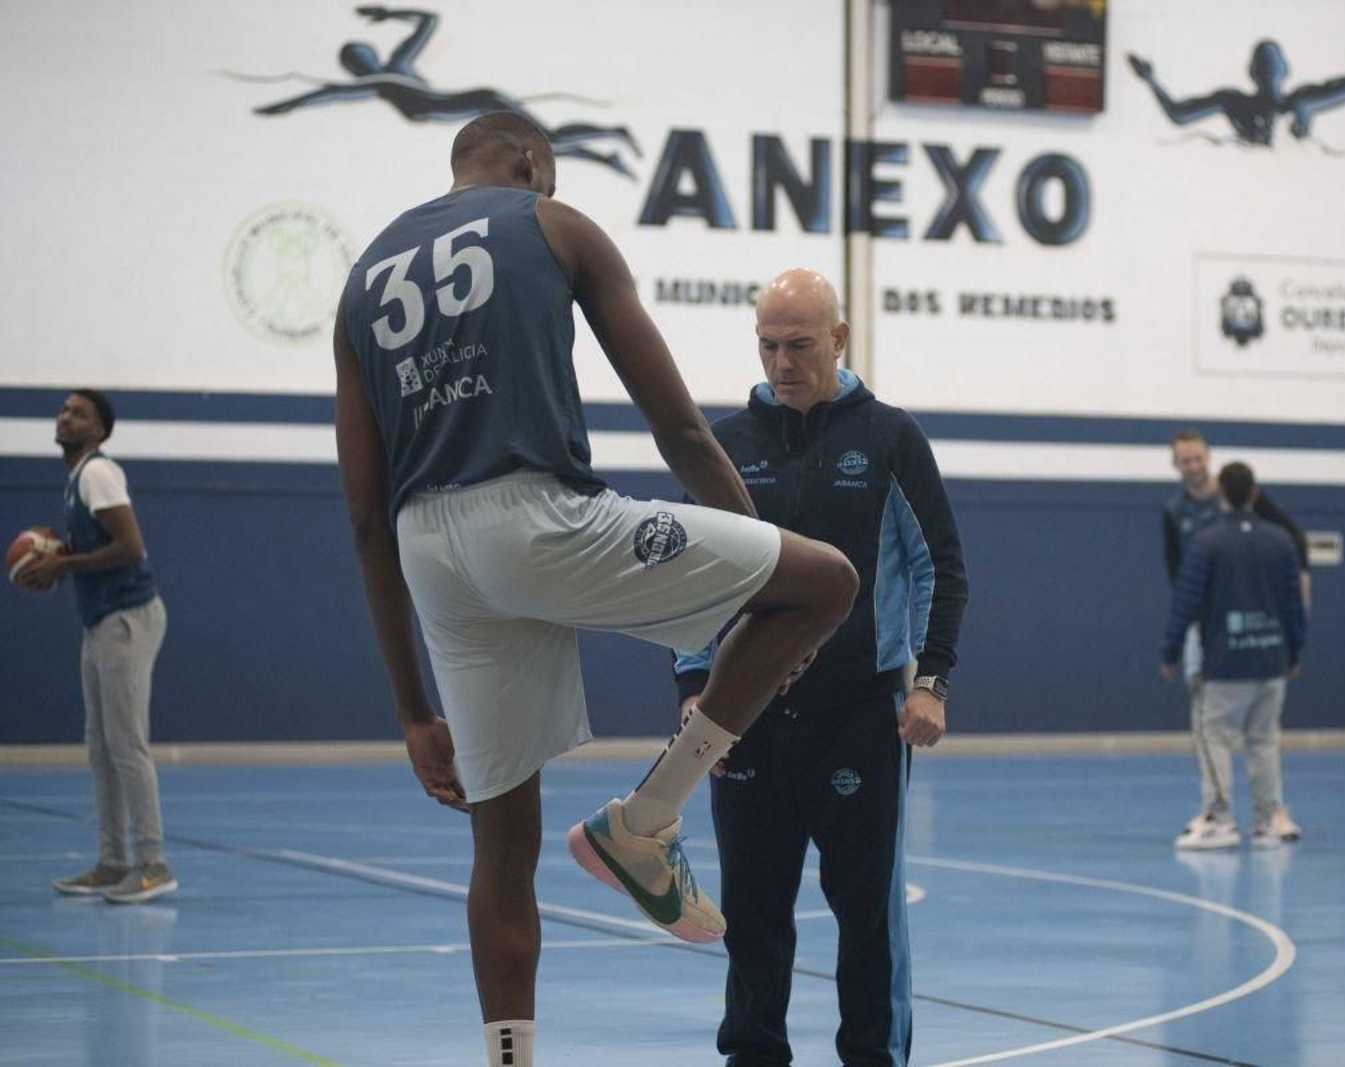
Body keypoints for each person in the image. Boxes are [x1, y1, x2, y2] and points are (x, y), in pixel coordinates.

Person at [333, 111, 857, 1066]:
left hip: (428, 551)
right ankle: (645, 821)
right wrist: (758, 556)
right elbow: (680, 429)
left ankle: (509, 1058)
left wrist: (411, 707)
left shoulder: (364, 277)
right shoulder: (554, 224)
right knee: (823, 580)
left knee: (502, 846)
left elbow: (364, 515)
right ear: (533, 161)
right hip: (534, 518)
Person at [673, 268, 968, 1066]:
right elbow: (689, 578)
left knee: (867, 915)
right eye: (767, 345)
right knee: (751, 913)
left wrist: (930, 681)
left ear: (839, 338)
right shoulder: (726, 446)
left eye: (799, 344)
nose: (782, 362)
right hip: (744, 719)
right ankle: (752, 1054)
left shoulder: (891, 438)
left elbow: (941, 566)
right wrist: (695, 689)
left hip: (860, 718)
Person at [18, 390, 176, 904]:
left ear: (100, 431)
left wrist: (63, 564)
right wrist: (63, 561)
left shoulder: (98, 473)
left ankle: (152, 865)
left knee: (126, 745)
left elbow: (131, 547)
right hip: (102, 620)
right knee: (101, 748)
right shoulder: (77, 479)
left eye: (79, 413)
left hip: (128, 617)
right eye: (64, 410)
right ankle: (112, 863)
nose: (66, 417)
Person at [251, 6, 640, 177]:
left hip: (482, 102)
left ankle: (613, 134)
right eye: (356, 62)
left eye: (361, 57)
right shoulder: (383, 81)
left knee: (546, 141)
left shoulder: (390, 74)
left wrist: (389, 13)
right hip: (480, 108)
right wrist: (286, 105)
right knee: (539, 148)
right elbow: (332, 92)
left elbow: (428, 20)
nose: (361, 66)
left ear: (369, 57)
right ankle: (607, 154)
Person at [1163, 428, 1308, 842]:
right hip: (1227, 632)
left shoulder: (1232, 537)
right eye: (1185, 460)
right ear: (1176, 465)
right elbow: (1178, 577)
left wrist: (1169, 647)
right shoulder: (1175, 512)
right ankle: (1255, 815)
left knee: (1214, 728)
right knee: (1253, 731)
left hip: (1238, 638)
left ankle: (1229, 815)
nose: (1193, 465)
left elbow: (1294, 551)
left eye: (1198, 458)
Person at [1128, 0, 1345, 147]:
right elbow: (1180, 115)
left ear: (1286, 70)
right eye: (1262, 61)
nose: (1269, 65)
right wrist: (1151, 81)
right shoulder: (1235, 103)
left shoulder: (1301, 102)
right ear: (1252, 73)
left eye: (1273, 59)